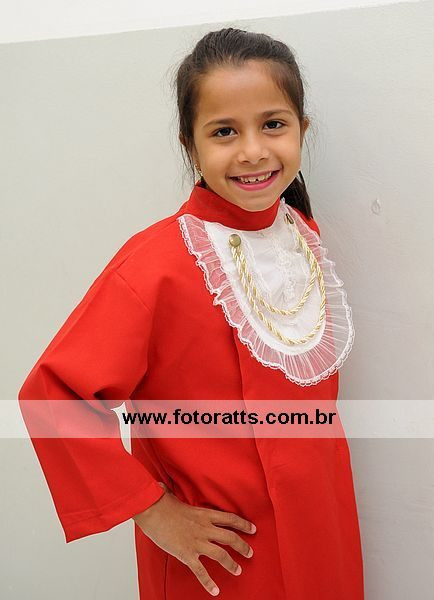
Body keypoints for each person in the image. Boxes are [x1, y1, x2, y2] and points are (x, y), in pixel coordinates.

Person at [18, 27, 364, 599]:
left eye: (273, 124)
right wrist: (153, 511)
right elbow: (53, 395)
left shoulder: (303, 235)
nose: (252, 151)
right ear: (190, 145)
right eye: (224, 131)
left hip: (321, 529)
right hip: (223, 557)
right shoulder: (156, 265)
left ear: (303, 129)